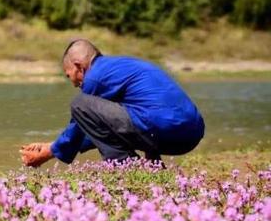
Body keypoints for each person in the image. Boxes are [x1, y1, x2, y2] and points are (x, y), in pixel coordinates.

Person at [20, 39, 204, 167]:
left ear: (79, 66)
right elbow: (104, 128)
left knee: (80, 105)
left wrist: (48, 153)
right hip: (190, 134)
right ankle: (153, 169)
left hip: (166, 128)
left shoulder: (95, 78)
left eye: (70, 76)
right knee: (137, 112)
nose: (74, 83)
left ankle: (128, 168)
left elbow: (79, 124)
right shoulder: (118, 66)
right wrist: (52, 145)